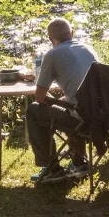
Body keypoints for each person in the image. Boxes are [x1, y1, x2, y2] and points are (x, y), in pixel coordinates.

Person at [27, 18, 98, 183]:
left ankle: (51, 168)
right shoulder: (87, 48)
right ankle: (79, 162)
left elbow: (40, 97)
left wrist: (57, 100)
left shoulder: (53, 54)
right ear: (72, 33)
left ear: (51, 39)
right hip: (102, 116)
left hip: (83, 120)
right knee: (70, 104)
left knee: (34, 109)